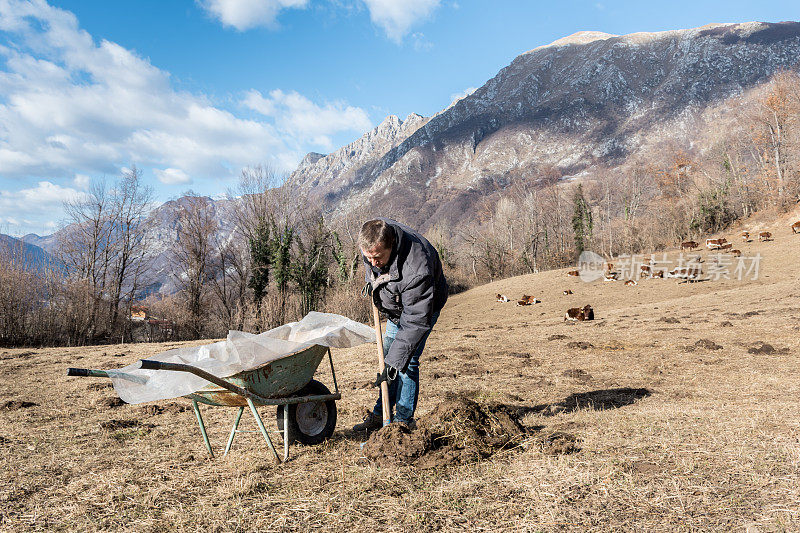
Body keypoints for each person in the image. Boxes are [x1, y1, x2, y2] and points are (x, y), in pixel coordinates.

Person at [353, 218, 448, 432]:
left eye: (378, 258)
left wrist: (396, 362)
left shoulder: (417, 268)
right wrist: (374, 282)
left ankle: (402, 422)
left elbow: (415, 320)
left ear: (392, 244)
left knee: (406, 362)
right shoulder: (374, 240)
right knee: (389, 358)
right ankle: (381, 414)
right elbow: (375, 266)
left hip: (423, 308)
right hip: (396, 306)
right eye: (368, 258)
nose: (373, 263)